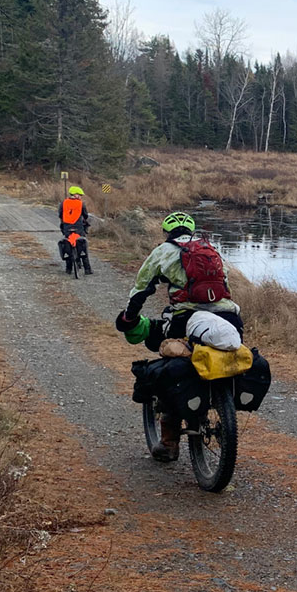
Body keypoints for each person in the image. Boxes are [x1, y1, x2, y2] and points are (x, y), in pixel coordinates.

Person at [116, 211, 243, 461]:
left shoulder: (163, 251)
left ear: (166, 233)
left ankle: (169, 442)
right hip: (229, 319)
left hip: (185, 319)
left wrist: (129, 318)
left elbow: (141, 288)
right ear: (192, 232)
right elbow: (225, 287)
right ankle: (222, 400)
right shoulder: (210, 250)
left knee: (168, 362)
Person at [58, 186, 92, 275]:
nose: (80, 196)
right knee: (82, 244)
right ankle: (87, 269)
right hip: (78, 228)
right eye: (80, 195)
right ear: (76, 195)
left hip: (67, 228)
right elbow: (85, 215)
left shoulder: (63, 203)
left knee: (67, 244)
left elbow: (60, 214)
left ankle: (68, 268)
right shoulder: (81, 204)